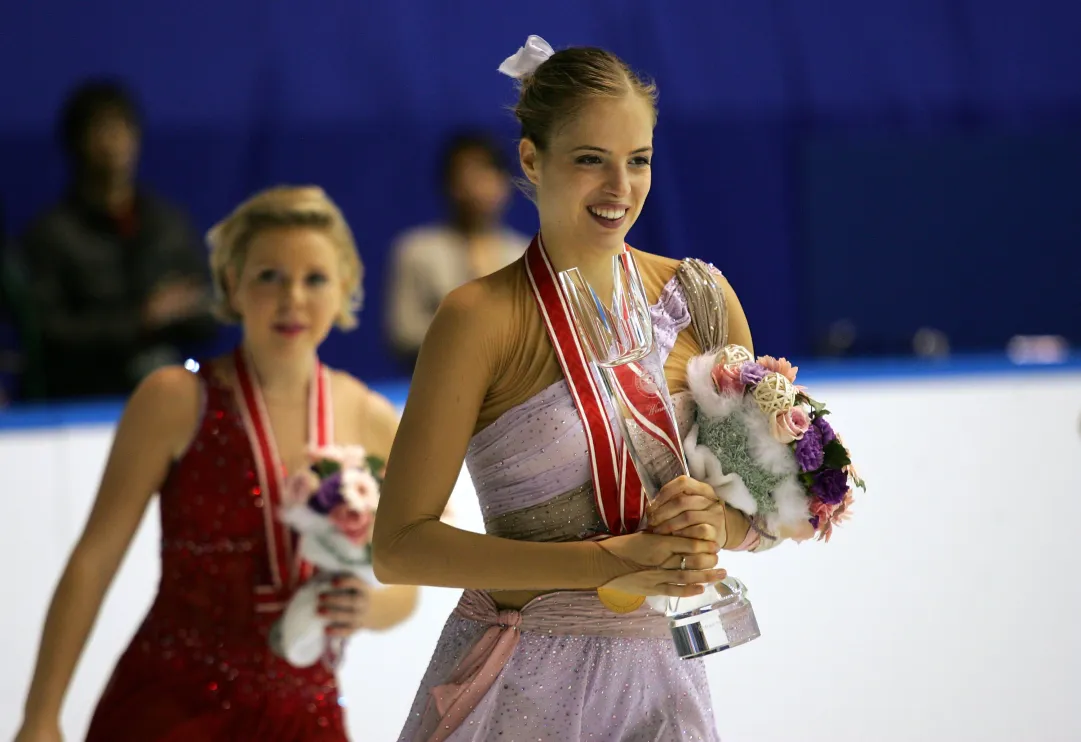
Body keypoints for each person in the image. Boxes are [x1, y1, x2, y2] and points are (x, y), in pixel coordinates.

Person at [373, 36, 782, 741]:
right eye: (589, 160)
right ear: (530, 160)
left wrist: (715, 525)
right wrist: (603, 563)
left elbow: (768, 508)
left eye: (638, 160)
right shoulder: (478, 319)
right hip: (519, 680)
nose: (619, 189)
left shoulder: (700, 298)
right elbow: (399, 548)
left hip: (662, 678)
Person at [15, 186, 418, 742]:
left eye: (315, 278)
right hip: (170, 707)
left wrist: (366, 608)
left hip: (304, 715)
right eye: (269, 276)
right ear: (232, 283)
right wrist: (40, 717)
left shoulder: (370, 416)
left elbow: (406, 582)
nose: (291, 298)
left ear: (346, 285)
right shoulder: (175, 399)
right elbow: (95, 557)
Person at [19, 78, 216, 400]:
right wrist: (142, 319)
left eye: (122, 128)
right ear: (77, 142)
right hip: (81, 397)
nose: (114, 143)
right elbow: (47, 332)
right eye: (101, 130)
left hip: (162, 388)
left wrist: (183, 310)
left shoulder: (166, 224)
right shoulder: (51, 235)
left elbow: (208, 312)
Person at [384, 131, 528, 367]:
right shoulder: (416, 250)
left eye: (487, 173)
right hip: (435, 385)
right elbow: (403, 333)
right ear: (448, 183)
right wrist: (475, 334)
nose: (476, 185)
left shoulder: (525, 253)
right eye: (466, 173)